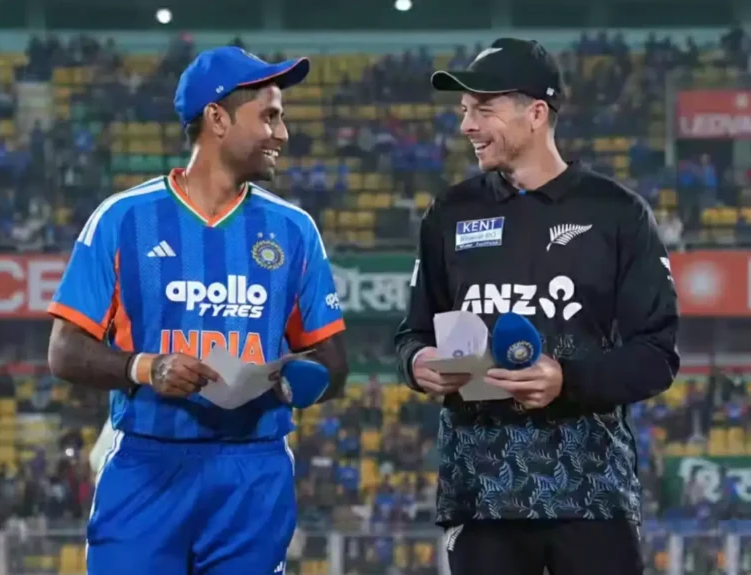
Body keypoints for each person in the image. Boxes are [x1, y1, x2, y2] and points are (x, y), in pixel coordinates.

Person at [47, 46, 349, 575]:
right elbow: (64, 351)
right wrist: (146, 367)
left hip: (253, 472)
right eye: (269, 116)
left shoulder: (295, 230)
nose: (282, 134)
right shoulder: (123, 219)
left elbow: (334, 364)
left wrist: (296, 381)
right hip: (147, 465)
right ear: (217, 118)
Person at [394, 38, 679, 575]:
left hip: (592, 495)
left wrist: (566, 380)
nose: (467, 125)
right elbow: (412, 334)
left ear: (537, 113)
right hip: (480, 495)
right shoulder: (450, 213)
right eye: (464, 110)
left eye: (484, 109)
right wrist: (418, 363)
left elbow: (657, 355)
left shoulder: (617, 213)